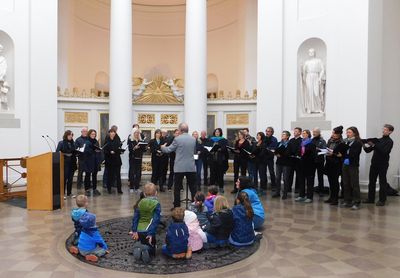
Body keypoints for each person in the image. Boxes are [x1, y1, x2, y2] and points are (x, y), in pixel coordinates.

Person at [161, 123, 197, 208]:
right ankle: (195, 205)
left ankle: (177, 206)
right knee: (193, 188)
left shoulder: (177, 139)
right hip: (191, 166)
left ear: (180, 130)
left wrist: (162, 147)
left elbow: (169, 150)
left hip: (179, 167)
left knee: (177, 188)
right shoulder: (193, 139)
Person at [363, 124, 394, 206]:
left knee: (382, 182)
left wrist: (374, 145)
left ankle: (382, 200)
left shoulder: (390, 142)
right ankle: (370, 199)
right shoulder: (378, 140)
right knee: (371, 181)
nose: (383, 131)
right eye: (383, 129)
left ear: (390, 132)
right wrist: (364, 145)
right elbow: (368, 151)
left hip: (383, 164)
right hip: (374, 164)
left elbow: (384, 152)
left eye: (386, 130)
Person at [130, 183, 161, 263]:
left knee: (141, 240)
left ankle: (138, 247)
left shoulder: (140, 203)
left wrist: (134, 230)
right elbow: (155, 220)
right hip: (149, 230)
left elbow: (135, 218)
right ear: (156, 193)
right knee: (152, 245)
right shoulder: (156, 204)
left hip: (139, 229)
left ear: (144, 193)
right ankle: (146, 249)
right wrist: (151, 233)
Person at [341, 127, 363, 210]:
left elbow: (355, 153)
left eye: (349, 132)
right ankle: (347, 200)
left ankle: (357, 202)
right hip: (345, 164)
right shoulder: (346, 142)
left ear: (354, 133)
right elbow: (343, 152)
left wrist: (347, 150)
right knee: (346, 183)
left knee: (354, 184)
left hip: (353, 165)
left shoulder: (358, 142)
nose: (347, 134)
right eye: (347, 132)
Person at [324, 126, 345, 206]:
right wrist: (326, 151)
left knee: (335, 182)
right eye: (333, 133)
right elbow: (327, 148)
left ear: (339, 134)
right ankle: (331, 197)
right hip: (329, 162)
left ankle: (335, 199)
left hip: (336, 163)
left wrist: (334, 154)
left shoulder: (341, 142)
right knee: (330, 181)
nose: (333, 134)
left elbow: (341, 154)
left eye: (335, 133)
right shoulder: (330, 140)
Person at [295, 130, 317, 203]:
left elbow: (313, 155)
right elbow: (298, 152)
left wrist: (304, 156)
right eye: (302, 133)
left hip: (309, 165)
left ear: (308, 134)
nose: (303, 134)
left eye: (304, 133)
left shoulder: (311, 143)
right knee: (301, 181)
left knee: (309, 182)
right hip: (301, 164)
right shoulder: (301, 143)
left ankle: (309, 197)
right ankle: (301, 195)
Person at [57, 130, 77, 198]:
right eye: (69, 135)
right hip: (64, 163)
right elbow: (57, 152)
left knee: (70, 179)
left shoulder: (73, 143)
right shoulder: (61, 143)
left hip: (72, 163)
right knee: (64, 179)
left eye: (72, 135)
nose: (71, 136)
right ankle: (62, 194)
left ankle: (69, 193)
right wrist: (65, 154)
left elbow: (74, 151)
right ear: (66, 135)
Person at [82, 129, 102, 197]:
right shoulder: (87, 142)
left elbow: (98, 149)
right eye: (92, 134)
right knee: (87, 175)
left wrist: (98, 151)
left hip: (95, 161)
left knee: (94, 175)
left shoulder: (96, 141)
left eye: (94, 134)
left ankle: (94, 189)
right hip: (88, 161)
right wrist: (93, 150)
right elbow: (86, 151)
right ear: (89, 134)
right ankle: (87, 189)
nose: (93, 135)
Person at [208, 128, 229, 193]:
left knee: (220, 174)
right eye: (216, 132)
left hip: (220, 160)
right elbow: (208, 148)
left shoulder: (224, 140)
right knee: (212, 175)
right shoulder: (211, 140)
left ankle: (221, 187)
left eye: (218, 132)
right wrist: (210, 150)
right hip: (212, 160)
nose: (217, 133)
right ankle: (211, 189)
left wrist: (220, 149)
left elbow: (226, 149)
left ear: (220, 133)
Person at [103, 129, 123, 194]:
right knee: (110, 175)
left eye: (114, 132)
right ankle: (109, 189)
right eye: (111, 132)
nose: (112, 133)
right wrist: (110, 152)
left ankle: (119, 189)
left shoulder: (117, 140)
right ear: (109, 133)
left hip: (117, 160)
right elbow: (104, 151)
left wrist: (119, 151)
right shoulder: (107, 141)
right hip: (109, 161)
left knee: (118, 175)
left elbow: (119, 149)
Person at [273, 131, 292, 199]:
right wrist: (276, 153)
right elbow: (275, 150)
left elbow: (288, 153)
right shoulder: (279, 143)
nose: (282, 135)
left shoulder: (290, 143)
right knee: (277, 178)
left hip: (286, 163)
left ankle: (285, 193)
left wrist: (280, 152)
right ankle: (277, 192)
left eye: (284, 134)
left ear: (287, 136)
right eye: (282, 134)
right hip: (279, 162)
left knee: (285, 178)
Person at [128, 128, 146, 193]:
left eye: (138, 133)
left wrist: (144, 146)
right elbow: (130, 149)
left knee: (138, 174)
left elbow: (144, 150)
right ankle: (132, 187)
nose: (137, 134)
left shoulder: (141, 140)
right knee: (132, 173)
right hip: (133, 158)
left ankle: (137, 187)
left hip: (139, 158)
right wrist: (134, 148)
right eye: (135, 132)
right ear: (133, 133)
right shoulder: (130, 140)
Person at [312, 128, 327, 196]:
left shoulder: (322, 141)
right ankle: (310, 189)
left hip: (320, 160)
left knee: (320, 176)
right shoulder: (311, 140)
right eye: (313, 132)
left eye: (315, 132)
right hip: (312, 160)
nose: (314, 133)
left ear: (319, 132)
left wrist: (319, 149)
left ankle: (321, 190)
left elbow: (325, 149)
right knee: (311, 176)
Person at [288, 127, 303, 193]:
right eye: (294, 131)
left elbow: (301, 149)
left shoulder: (302, 140)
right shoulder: (291, 140)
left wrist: (296, 154)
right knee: (290, 174)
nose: (294, 132)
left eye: (296, 131)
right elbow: (289, 148)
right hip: (291, 160)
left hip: (298, 160)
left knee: (298, 175)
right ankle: (288, 188)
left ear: (300, 132)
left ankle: (297, 188)